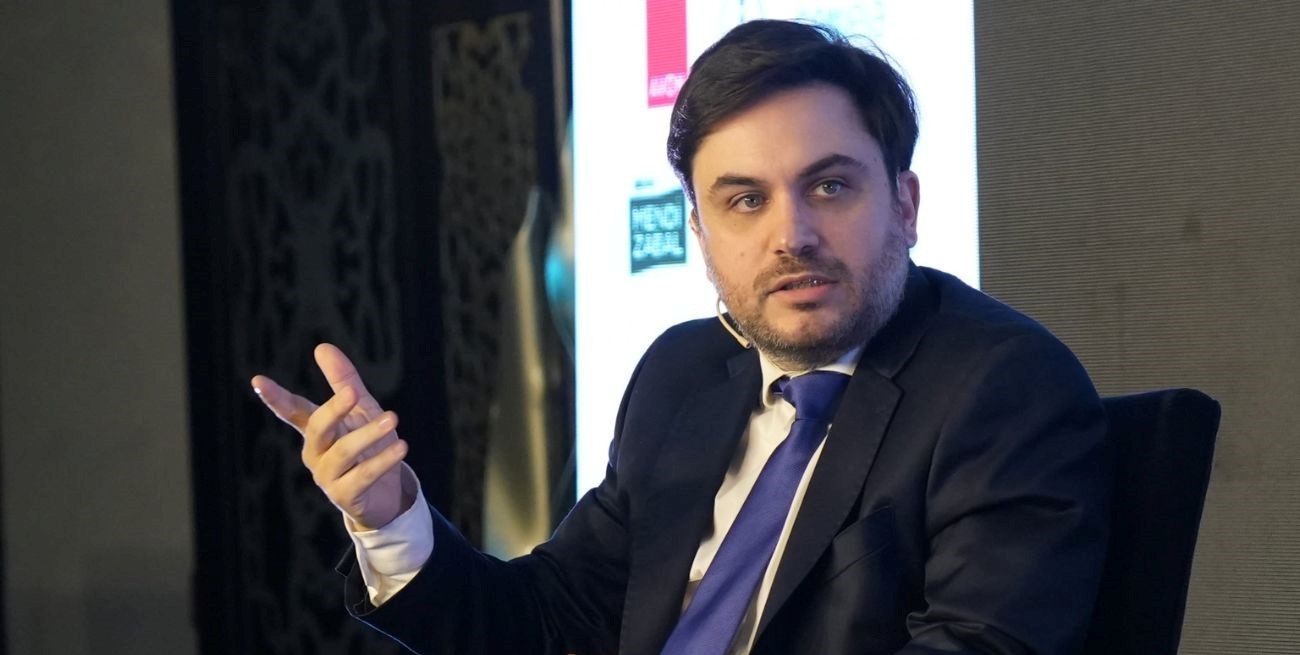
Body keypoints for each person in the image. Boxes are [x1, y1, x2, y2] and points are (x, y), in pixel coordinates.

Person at [253, 20, 1111, 655]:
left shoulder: (1003, 387)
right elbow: (548, 619)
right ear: (700, 233)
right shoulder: (685, 373)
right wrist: (389, 517)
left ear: (906, 204)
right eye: (745, 200)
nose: (791, 235)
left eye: (830, 187)